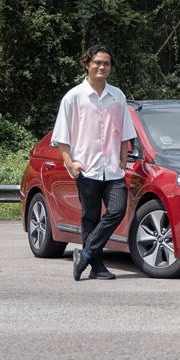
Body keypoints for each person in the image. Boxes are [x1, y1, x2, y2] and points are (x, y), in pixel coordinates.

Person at [51, 45, 136, 281]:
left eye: (106, 63)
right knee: (90, 217)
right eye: (97, 62)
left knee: (117, 210)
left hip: (113, 168)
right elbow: (61, 136)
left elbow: (124, 131)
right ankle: (97, 266)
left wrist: (123, 156)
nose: (101, 67)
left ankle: (86, 254)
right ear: (87, 64)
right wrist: (71, 164)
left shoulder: (117, 95)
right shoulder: (73, 97)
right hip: (86, 168)